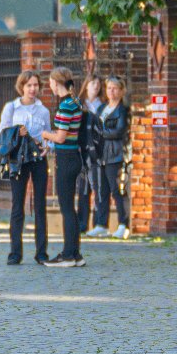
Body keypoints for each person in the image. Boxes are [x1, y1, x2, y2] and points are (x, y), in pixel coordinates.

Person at [0, 71, 52, 265]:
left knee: (39, 205)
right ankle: (15, 252)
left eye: (36, 85)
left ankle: (41, 252)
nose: (32, 89)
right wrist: (16, 132)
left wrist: (48, 146)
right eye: (29, 85)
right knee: (17, 206)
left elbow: (49, 134)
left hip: (38, 159)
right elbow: (1, 135)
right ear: (22, 86)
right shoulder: (11, 108)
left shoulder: (43, 110)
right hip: (18, 160)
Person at [39, 67, 87, 267]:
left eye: (50, 82)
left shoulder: (66, 106)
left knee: (66, 208)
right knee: (70, 208)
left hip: (66, 159)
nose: (49, 85)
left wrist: (45, 135)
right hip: (72, 156)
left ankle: (68, 255)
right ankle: (75, 253)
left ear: (56, 83)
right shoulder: (74, 102)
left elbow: (61, 136)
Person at [92, 76, 132, 237]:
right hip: (100, 153)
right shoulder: (102, 108)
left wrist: (101, 132)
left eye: (115, 88)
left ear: (122, 91)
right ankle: (102, 224)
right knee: (101, 190)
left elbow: (119, 130)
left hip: (115, 154)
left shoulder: (123, 110)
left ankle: (123, 224)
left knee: (117, 190)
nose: (111, 91)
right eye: (109, 88)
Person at [79, 74, 105, 234]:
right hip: (82, 150)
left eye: (98, 84)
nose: (96, 86)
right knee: (82, 188)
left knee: (98, 187)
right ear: (86, 85)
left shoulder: (102, 106)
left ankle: (98, 223)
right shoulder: (80, 105)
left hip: (97, 151)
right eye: (93, 83)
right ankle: (82, 223)